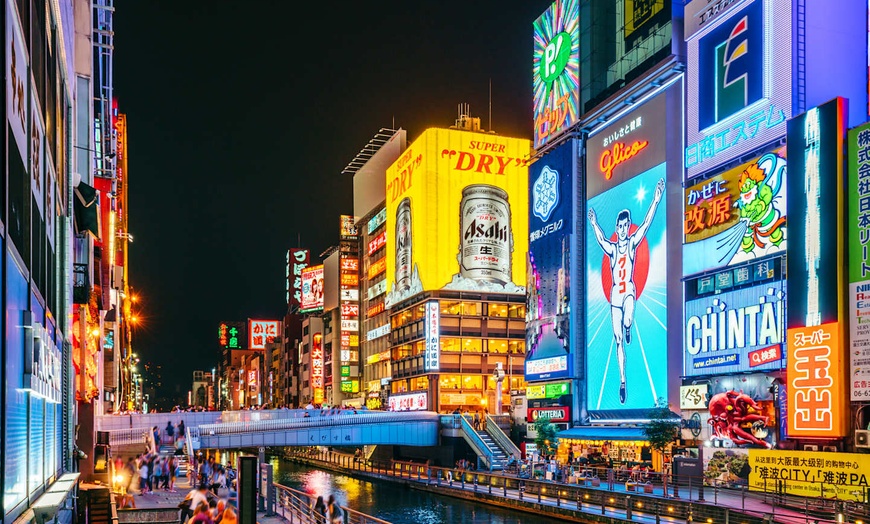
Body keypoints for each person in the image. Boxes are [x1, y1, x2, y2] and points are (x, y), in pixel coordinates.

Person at [587, 177, 664, 404]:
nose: (622, 230)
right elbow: (600, 239)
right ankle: (622, 381)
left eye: (625, 226)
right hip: (615, 297)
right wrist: (593, 223)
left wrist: (656, 199)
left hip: (628, 291)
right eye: (619, 227)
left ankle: (629, 326)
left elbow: (647, 224)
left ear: (628, 225)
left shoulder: (631, 243)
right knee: (618, 340)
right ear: (616, 228)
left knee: (628, 320)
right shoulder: (612, 248)